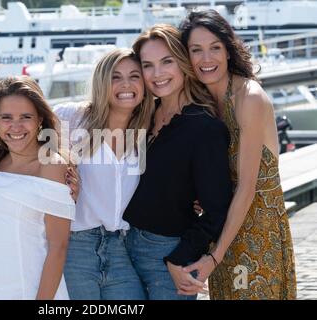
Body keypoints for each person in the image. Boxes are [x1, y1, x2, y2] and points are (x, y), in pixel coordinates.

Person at [179, 10, 297, 300]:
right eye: (197, 50)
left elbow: (246, 188)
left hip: (258, 235)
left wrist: (215, 257)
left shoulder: (249, 97)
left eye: (215, 48)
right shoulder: (202, 101)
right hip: (223, 231)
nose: (206, 59)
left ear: (228, 50)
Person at [123, 24, 233, 300]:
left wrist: (179, 257)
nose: (157, 74)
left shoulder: (204, 128)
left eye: (167, 62)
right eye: (148, 66)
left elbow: (218, 209)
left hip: (166, 254)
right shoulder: (142, 116)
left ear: (183, 62)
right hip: (123, 246)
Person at [53, 48, 154, 299]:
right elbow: (33, 163)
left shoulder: (145, 130)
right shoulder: (70, 118)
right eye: (116, 77)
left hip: (121, 247)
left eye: (134, 76)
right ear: (101, 82)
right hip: (75, 246)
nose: (126, 84)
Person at [0, 76, 75, 300]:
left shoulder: (51, 165)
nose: (15, 126)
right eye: (6, 117)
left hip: (31, 289)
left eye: (25, 117)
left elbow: (59, 247)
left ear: (39, 120)